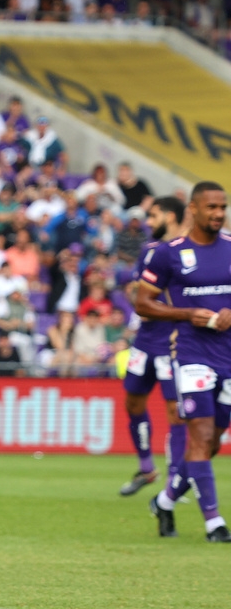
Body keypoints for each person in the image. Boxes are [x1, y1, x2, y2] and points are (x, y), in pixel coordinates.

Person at [137, 181, 231, 542]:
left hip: (228, 354)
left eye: (222, 207)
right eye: (211, 207)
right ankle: (214, 522)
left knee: (212, 443)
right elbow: (143, 303)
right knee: (201, 433)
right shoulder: (169, 253)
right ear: (193, 209)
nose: (218, 213)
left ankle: (165, 499)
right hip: (191, 353)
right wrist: (188, 312)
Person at [119, 197, 185, 498]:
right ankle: (147, 468)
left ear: (170, 217)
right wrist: (138, 297)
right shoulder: (149, 250)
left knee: (176, 412)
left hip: (173, 341)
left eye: (153, 215)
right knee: (133, 402)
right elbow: (137, 291)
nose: (147, 221)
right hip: (145, 340)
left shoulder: (188, 250)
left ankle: (176, 480)